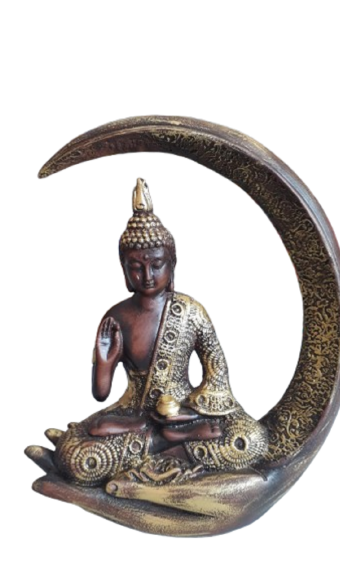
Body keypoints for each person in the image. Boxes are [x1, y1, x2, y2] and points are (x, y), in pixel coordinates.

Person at [54, 179, 268, 486]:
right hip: (136, 416)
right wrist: (104, 361)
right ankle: (167, 442)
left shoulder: (191, 311)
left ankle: (159, 448)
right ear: (124, 269)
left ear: (172, 264)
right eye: (136, 267)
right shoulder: (116, 318)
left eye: (157, 265)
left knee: (251, 440)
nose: (147, 275)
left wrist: (189, 412)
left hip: (187, 411)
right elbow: (101, 393)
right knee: (77, 457)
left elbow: (217, 371)